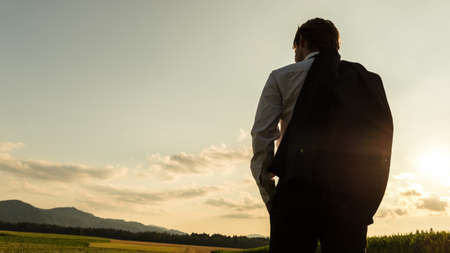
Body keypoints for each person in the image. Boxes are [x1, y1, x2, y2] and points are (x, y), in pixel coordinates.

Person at [250, 18, 393, 252]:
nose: (295, 55)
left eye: (295, 48)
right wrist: (366, 200)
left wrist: (270, 195)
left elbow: (262, 136)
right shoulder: (366, 80)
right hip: (350, 200)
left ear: (302, 42)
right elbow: (381, 139)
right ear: (335, 46)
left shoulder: (282, 77)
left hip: (296, 196)